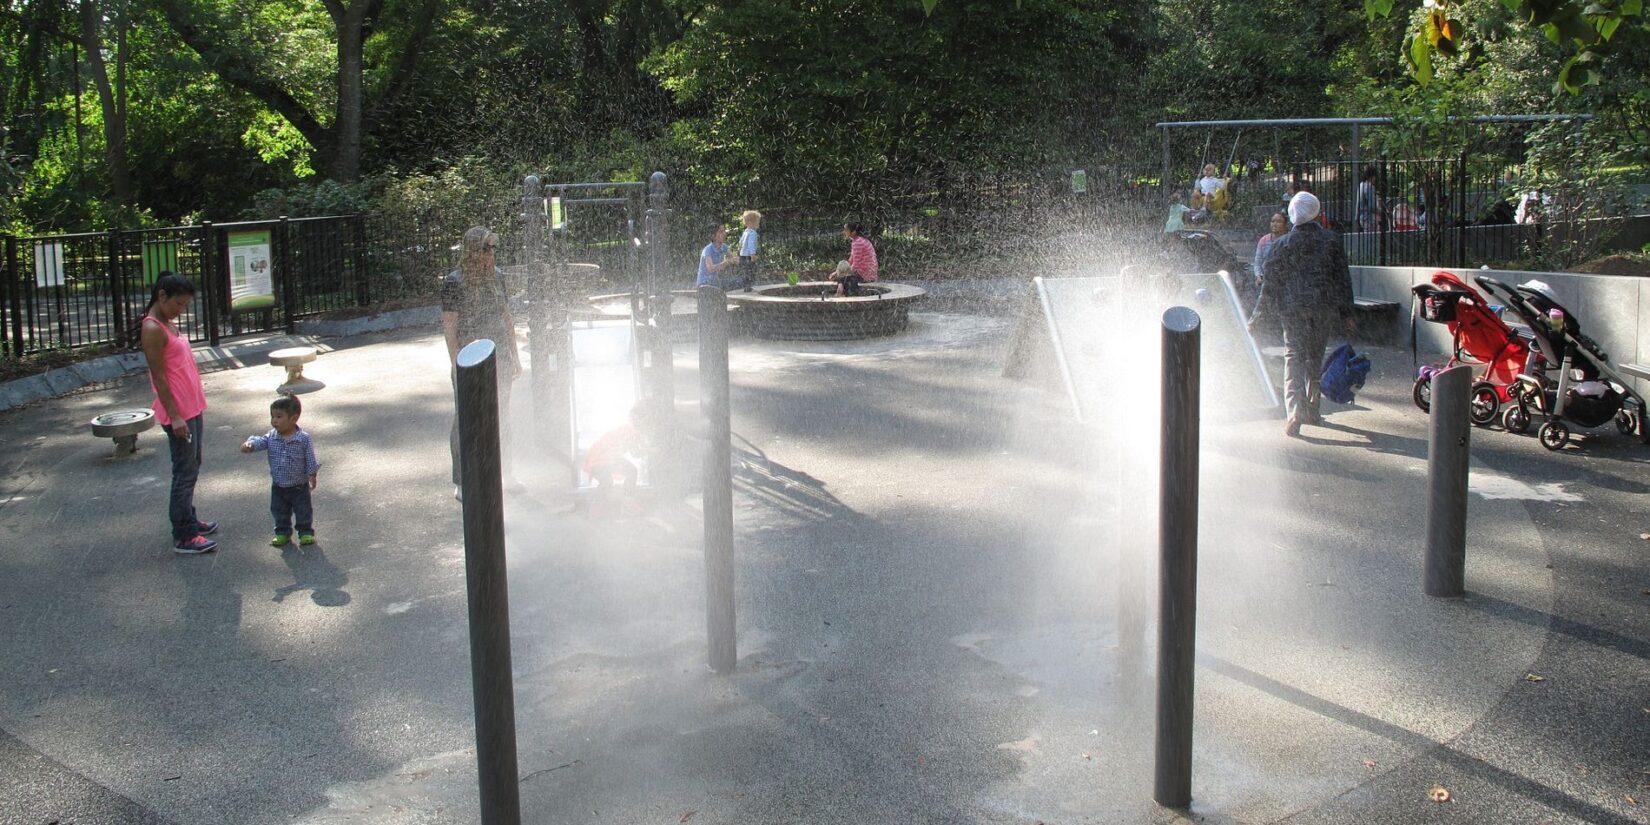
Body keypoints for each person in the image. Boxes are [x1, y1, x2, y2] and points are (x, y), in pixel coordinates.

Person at [1247, 191, 1356, 437]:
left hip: (1293, 310)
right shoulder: (1331, 240)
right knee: (1315, 358)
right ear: (1316, 211)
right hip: (1323, 307)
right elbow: (1342, 279)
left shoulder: (1280, 245)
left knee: (1293, 357)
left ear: (1292, 216)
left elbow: (1270, 286)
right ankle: (1313, 409)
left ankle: (1294, 412)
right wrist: (1348, 313)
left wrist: (1257, 317)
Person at [442, 226, 523, 501]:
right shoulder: (455, 281)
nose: (492, 253)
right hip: (469, 358)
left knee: (502, 416)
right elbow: (450, 327)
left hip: (499, 355)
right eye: (486, 248)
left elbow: (507, 316)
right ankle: (462, 481)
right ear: (473, 252)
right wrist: (455, 363)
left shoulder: (497, 277)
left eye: (493, 248)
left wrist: (515, 354)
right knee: (465, 420)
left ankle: (507, 473)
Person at [141, 273, 218, 554]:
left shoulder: (167, 323)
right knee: (184, 472)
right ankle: (184, 536)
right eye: (179, 304)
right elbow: (159, 377)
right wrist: (174, 416)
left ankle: (190, 518)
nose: (181, 310)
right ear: (162, 296)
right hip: (178, 412)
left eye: (185, 305)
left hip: (191, 405)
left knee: (193, 464)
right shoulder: (152, 328)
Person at [241, 395, 321, 547]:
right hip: (278, 485)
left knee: (303, 510)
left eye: (279, 416)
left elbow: (310, 457)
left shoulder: (303, 438)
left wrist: (312, 474)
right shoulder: (271, 437)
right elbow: (260, 441)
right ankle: (282, 532)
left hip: (299, 485)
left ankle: (305, 533)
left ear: (293, 418)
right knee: (279, 511)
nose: (274, 421)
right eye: (272, 416)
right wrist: (250, 444)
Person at [697, 224, 746, 291]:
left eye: (724, 231)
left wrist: (745, 256)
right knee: (734, 283)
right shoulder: (707, 250)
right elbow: (710, 268)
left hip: (715, 282)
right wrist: (726, 263)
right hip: (705, 284)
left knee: (741, 281)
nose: (724, 233)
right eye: (721, 232)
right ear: (713, 236)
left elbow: (734, 259)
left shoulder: (724, 247)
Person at [840, 222, 878, 297]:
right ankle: (845, 295)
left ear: (853, 232)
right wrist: (837, 272)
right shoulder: (858, 240)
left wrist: (843, 274)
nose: (844, 232)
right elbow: (851, 260)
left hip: (866, 275)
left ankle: (850, 298)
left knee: (845, 279)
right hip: (868, 273)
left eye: (846, 230)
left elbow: (855, 265)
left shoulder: (858, 242)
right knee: (842, 277)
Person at [1253, 211, 1289, 283]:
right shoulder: (1264, 240)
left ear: (1285, 225)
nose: (1274, 224)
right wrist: (1259, 276)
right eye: (1273, 221)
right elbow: (1257, 263)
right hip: (1266, 281)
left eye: (1278, 221)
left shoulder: (1289, 240)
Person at [736, 209, 762, 287]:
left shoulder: (745, 232)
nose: (758, 223)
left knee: (746, 271)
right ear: (751, 222)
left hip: (742, 256)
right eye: (757, 221)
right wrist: (753, 255)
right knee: (751, 271)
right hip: (748, 256)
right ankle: (748, 286)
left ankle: (746, 285)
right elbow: (751, 244)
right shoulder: (752, 233)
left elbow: (740, 242)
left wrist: (739, 250)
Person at [1356, 165, 1380, 232]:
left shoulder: (1361, 185)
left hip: (1362, 217)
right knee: (1373, 239)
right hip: (1369, 219)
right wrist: (1381, 212)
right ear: (1372, 176)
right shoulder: (1370, 187)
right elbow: (1372, 206)